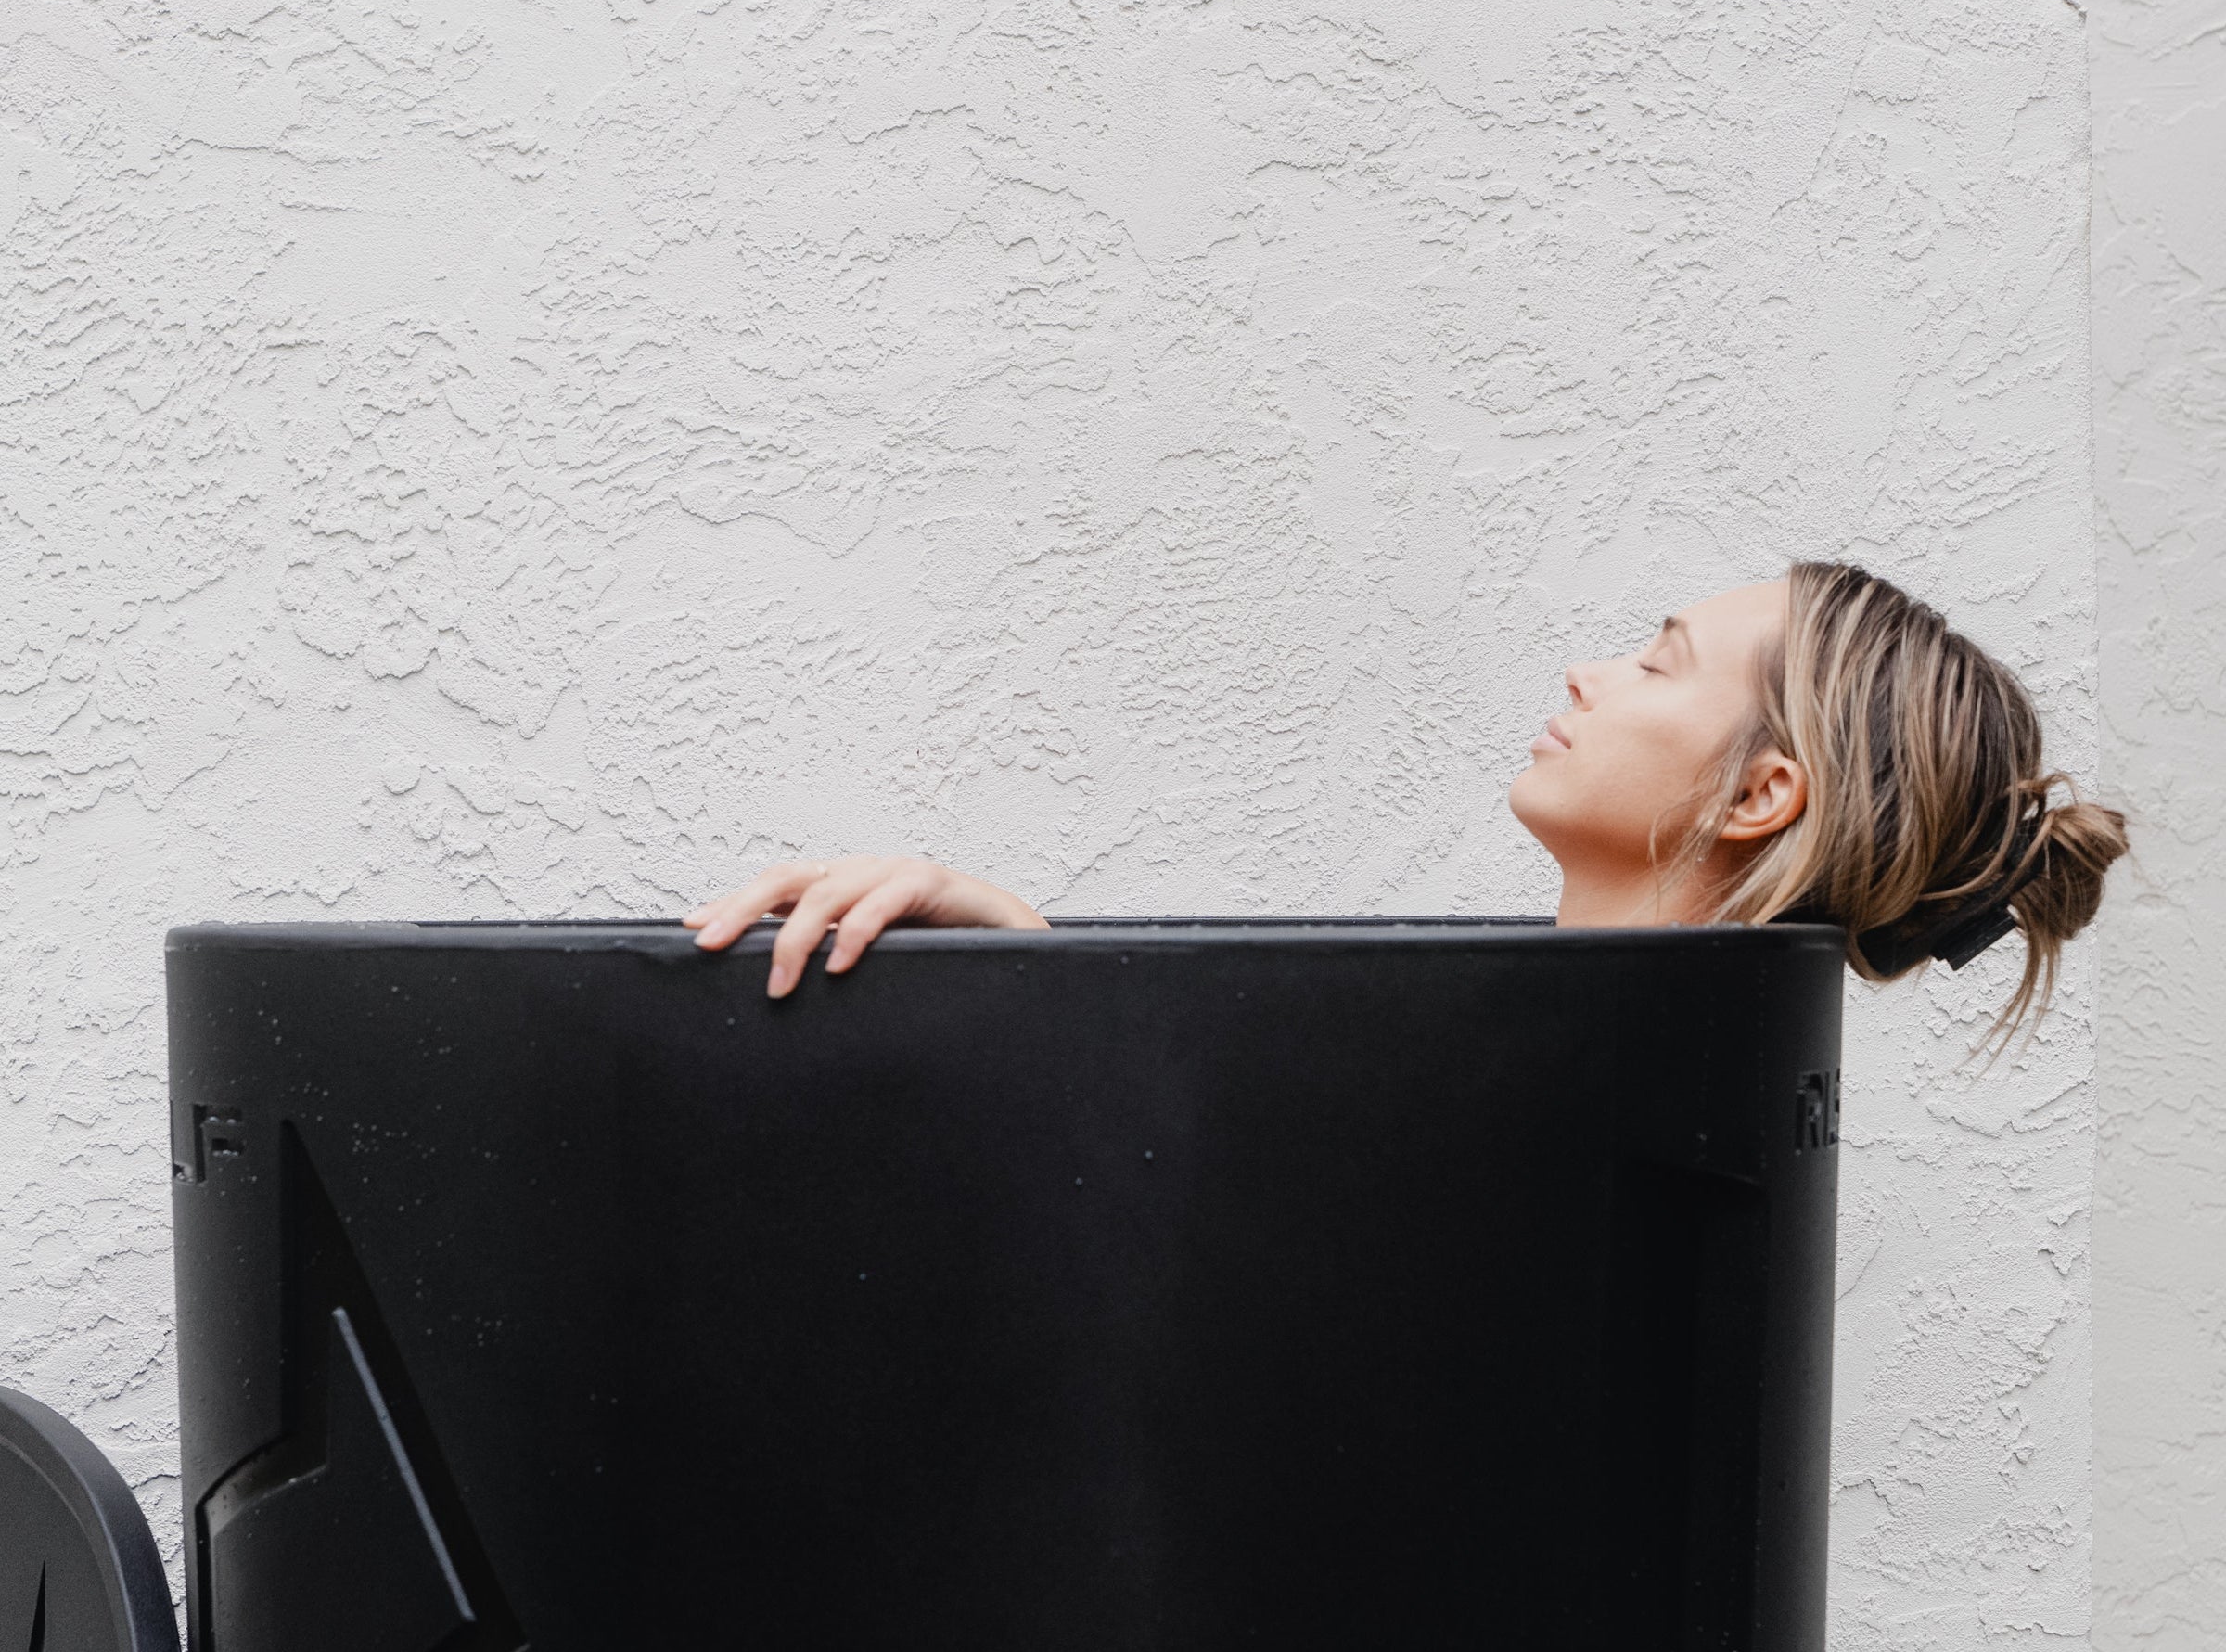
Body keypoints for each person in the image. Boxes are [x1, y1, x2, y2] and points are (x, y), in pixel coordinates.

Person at [685, 562, 2128, 1036]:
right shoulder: (1534, 1102)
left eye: (1656, 661)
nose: (1589, 673)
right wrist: (1030, 971)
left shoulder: (1550, 1152)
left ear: (1762, 793)